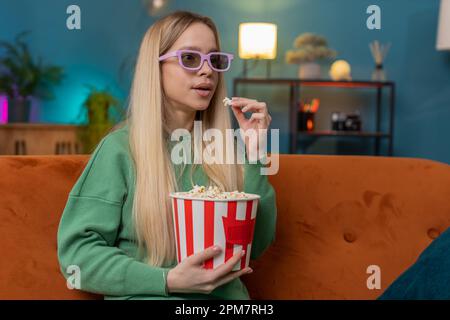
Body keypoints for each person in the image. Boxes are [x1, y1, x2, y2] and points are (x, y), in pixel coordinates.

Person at [57, 10, 277, 300]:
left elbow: (254, 246)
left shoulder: (229, 150)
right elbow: (77, 256)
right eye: (190, 58)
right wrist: (168, 280)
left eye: (215, 60)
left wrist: (255, 154)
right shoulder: (119, 150)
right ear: (155, 67)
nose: (207, 70)